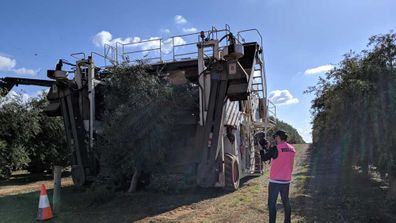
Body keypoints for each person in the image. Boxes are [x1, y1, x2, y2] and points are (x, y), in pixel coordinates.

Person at [261, 130, 296, 223]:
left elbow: (264, 158)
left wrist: (260, 148)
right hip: (286, 180)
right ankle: (287, 221)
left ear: (279, 137)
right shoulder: (292, 148)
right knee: (286, 201)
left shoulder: (276, 148)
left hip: (275, 181)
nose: (275, 139)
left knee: (272, 204)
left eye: (275, 137)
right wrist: (269, 148)